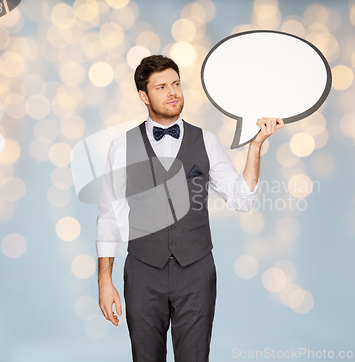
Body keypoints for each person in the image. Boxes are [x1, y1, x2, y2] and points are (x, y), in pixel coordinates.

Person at [96, 54, 284, 362]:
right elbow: (109, 217)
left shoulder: (206, 141)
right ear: (144, 96)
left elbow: (241, 199)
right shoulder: (122, 146)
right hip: (143, 272)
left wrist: (255, 147)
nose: (172, 92)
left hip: (196, 272)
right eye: (161, 87)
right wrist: (105, 281)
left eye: (176, 84)